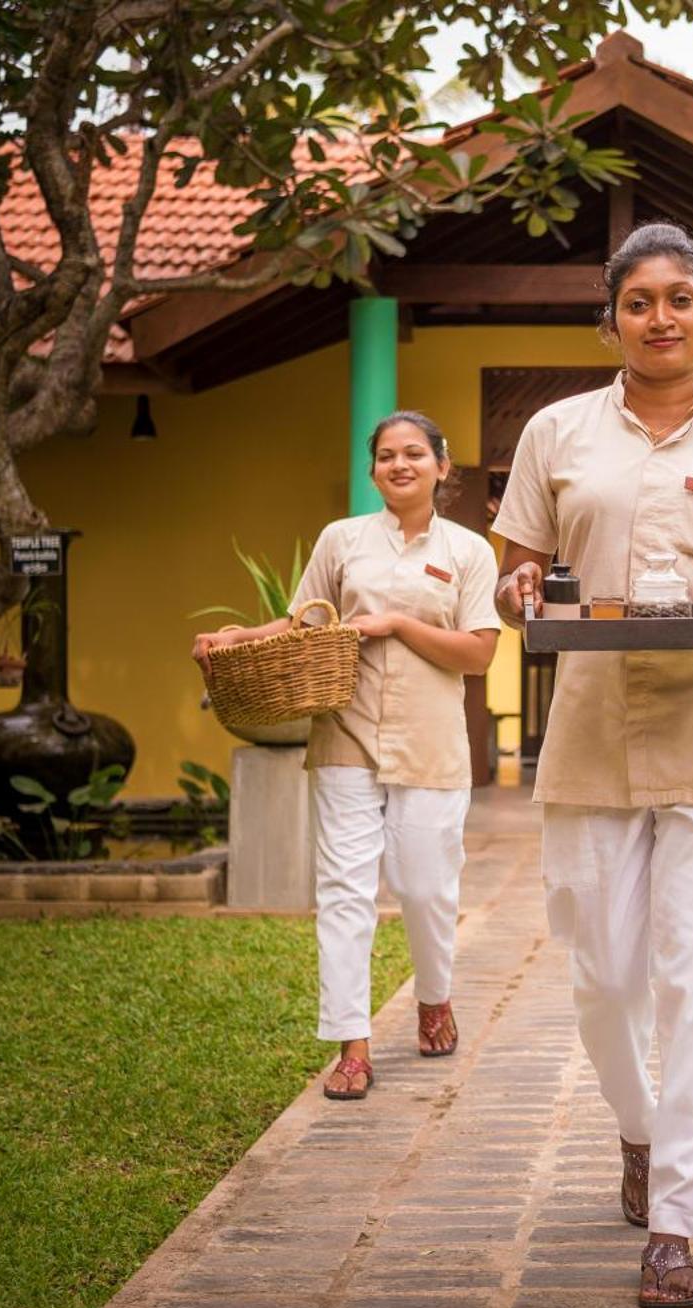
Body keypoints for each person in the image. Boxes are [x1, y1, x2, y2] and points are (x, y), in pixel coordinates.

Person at [490, 220, 693, 1308]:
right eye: (639, 302)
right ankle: (637, 1129)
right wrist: (520, 595)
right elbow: (518, 570)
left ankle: (677, 1219)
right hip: (588, 727)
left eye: (681, 298)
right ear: (610, 320)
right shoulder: (554, 431)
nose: (661, 317)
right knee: (604, 973)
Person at [193, 410, 501, 1100]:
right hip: (345, 735)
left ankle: (434, 997)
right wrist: (239, 636)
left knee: (426, 887)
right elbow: (302, 618)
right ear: (372, 470)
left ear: (442, 467)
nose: (400, 464)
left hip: (430, 743)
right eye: (386, 455)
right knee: (343, 891)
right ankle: (352, 1045)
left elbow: (480, 651)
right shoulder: (343, 540)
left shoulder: (468, 551)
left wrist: (397, 623)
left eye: (414, 453)